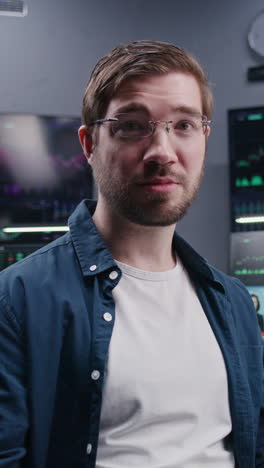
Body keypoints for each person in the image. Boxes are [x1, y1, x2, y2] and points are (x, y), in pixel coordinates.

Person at [0, 40, 263, 468]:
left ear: (204, 138)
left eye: (183, 125)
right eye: (132, 125)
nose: (162, 151)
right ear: (88, 144)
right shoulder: (17, 301)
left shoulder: (233, 303)